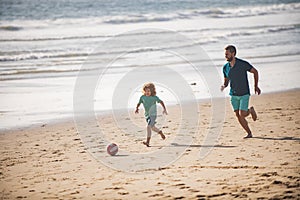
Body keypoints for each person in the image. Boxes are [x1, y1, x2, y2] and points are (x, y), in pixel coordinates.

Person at [221, 45, 261, 138]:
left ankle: (250, 110)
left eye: (227, 54)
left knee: (242, 113)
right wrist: (224, 85)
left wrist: (256, 86)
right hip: (233, 94)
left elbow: (255, 71)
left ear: (233, 53)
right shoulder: (225, 67)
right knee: (238, 115)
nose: (225, 56)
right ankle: (249, 133)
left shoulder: (242, 64)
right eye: (225, 54)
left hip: (244, 93)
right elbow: (226, 81)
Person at [135, 83, 167, 147]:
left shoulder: (154, 98)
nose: (147, 92)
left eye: (149, 91)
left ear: (152, 91)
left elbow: (161, 101)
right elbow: (139, 103)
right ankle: (160, 132)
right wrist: (137, 108)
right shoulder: (142, 97)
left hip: (153, 114)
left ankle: (147, 142)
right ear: (144, 91)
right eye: (146, 91)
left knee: (148, 126)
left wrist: (164, 109)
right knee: (152, 127)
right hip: (147, 115)